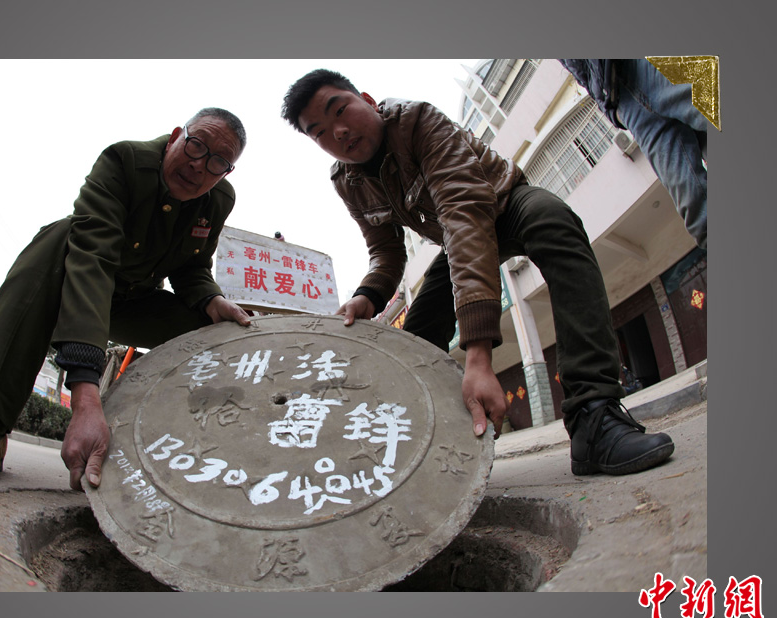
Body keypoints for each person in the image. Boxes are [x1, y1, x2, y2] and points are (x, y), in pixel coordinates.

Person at [280, 69, 674, 476]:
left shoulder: (417, 121)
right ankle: (422, 453)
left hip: (503, 204)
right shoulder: (347, 181)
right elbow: (385, 250)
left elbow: (464, 213)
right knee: (417, 336)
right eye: (319, 132)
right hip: (456, 239)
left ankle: (594, 416)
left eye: (340, 110)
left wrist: (479, 356)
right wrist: (369, 295)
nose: (339, 132)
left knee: (552, 221)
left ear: (366, 99)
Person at [0, 107, 252, 490]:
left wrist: (211, 300)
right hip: (75, 281)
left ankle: (175, 451)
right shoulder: (124, 160)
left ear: (226, 172)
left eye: (218, 162)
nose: (199, 166)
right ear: (175, 137)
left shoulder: (218, 200)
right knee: (59, 239)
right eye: (196, 146)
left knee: (218, 331)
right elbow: (92, 258)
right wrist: (85, 396)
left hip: (135, 302)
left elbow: (191, 268)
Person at [559, 59, 707, 249]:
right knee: (697, 211)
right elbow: (580, 71)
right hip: (622, 99)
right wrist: (610, 110)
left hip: (643, 60)